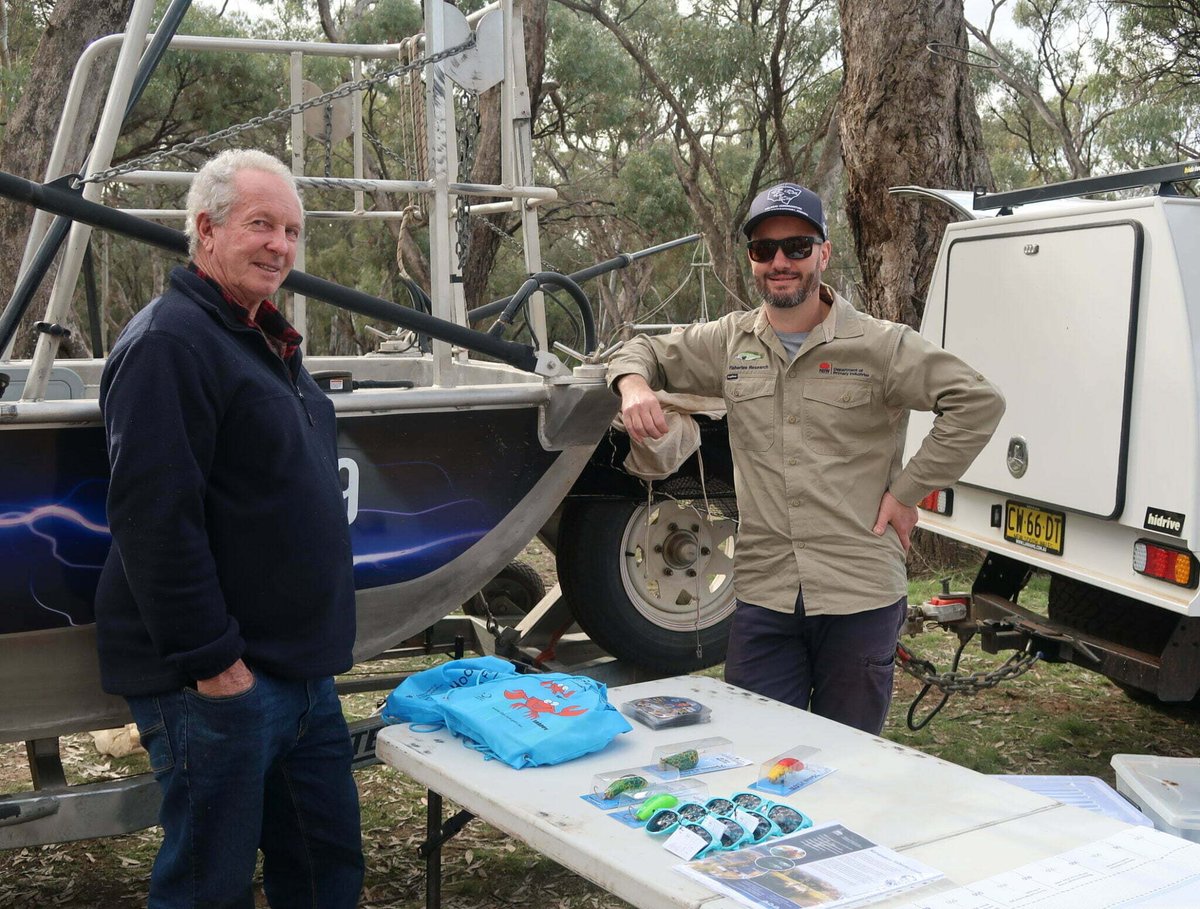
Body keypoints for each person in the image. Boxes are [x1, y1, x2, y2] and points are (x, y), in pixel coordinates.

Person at [609, 182, 1005, 735]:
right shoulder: (730, 341)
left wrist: (908, 492)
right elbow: (641, 349)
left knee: (847, 759)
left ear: (824, 253)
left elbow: (977, 402)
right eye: (764, 249)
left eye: (797, 247)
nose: (780, 262)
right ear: (751, 259)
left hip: (858, 591)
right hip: (765, 594)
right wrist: (632, 387)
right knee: (759, 750)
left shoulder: (881, 345)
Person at [95, 149, 364, 907]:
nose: (280, 244)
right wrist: (218, 669)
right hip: (219, 683)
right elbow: (153, 520)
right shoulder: (170, 343)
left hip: (300, 676)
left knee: (325, 868)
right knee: (206, 887)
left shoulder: (263, 338)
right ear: (206, 231)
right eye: (260, 224)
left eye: (291, 230)